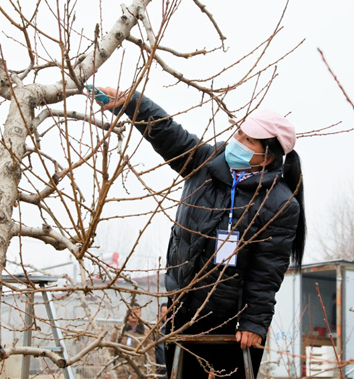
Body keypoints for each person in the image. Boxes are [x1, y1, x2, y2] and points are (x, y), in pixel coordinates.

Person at [95, 87, 306, 378]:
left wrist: (254, 323)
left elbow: (267, 271)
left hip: (232, 326)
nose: (238, 142)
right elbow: (171, 136)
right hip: (182, 311)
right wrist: (134, 104)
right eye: (239, 134)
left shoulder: (280, 204)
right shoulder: (207, 163)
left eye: (249, 140)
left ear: (268, 157)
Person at [109, 302, 157, 379]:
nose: (134, 314)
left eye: (137, 312)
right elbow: (110, 351)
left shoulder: (146, 333)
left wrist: (151, 374)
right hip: (121, 373)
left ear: (140, 314)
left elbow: (150, 355)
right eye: (132, 312)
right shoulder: (119, 330)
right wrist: (109, 371)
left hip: (139, 372)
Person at [154, 303, 168, 377]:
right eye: (164, 313)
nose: (166, 315)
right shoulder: (156, 331)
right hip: (160, 369)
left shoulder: (177, 329)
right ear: (160, 314)